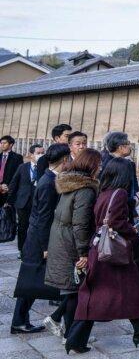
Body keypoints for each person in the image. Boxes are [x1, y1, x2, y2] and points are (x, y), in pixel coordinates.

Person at [67, 159, 139, 352]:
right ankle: (76, 339)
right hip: (114, 255)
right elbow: (117, 223)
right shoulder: (120, 193)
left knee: (123, 293)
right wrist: (133, 232)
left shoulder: (103, 192)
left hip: (101, 251)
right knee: (123, 293)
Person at [45, 148, 102, 354]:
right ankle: (71, 337)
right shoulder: (85, 189)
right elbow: (80, 224)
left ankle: (69, 333)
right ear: (91, 166)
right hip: (70, 243)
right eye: (98, 164)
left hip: (60, 239)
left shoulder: (69, 182)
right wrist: (83, 253)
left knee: (71, 291)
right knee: (74, 290)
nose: (100, 168)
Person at [11, 142, 70, 336]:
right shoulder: (48, 183)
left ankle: (20, 321)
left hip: (38, 238)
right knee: (31, 281)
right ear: (64, 160)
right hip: (38, 240)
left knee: (32, 281)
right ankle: (20, 321)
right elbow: (44, 217)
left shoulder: (48, 178)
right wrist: (46, 246)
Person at [8, 143, 42, 252]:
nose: (41, 155)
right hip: (23, 202)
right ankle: (21, 249)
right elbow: (14, 183)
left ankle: (35, 248)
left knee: (37, 226)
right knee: (23, 227)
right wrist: (9, 200)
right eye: (38, 153)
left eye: (42, 153)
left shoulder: (44, 168)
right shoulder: (23, 167)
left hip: (39, 202)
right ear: (31, 155)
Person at [101, 131, 139, 221]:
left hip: (125, 210)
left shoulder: (125, 162)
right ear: (121, 147)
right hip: (116, 214)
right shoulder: (111, 164)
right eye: (128, 143)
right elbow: (112, 194)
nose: (131, 146)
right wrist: (133, 201)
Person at [0, 134, 24, 209]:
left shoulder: (17, 157)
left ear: (11, 145)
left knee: (8, 215)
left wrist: (9, 187)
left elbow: (18, 175)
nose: (2, 145)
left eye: (5, 143)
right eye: (1, 143)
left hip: (9, 190)